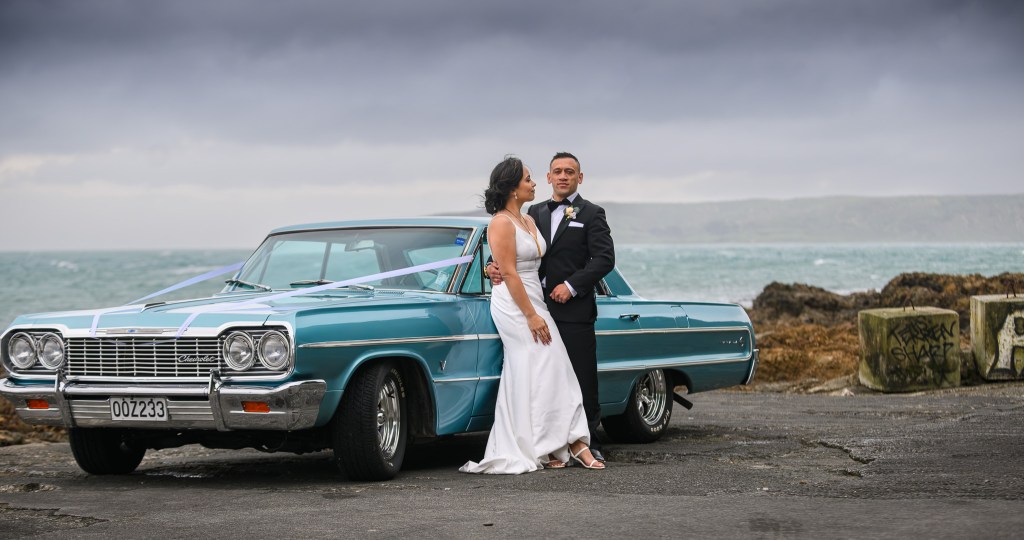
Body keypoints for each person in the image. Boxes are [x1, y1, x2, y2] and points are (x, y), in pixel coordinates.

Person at [460, 156, 604, 474]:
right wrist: (527, 312)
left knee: (550, 369)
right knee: (538, 366)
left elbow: (532, 261)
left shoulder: (529, 219)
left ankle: (556, 442)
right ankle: (558, 443)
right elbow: (508, 270)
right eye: (528, 179)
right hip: (516, 306)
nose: (534, 182)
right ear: (513, 187)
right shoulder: (504, 221)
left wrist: (497, 268)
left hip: (537, 300)